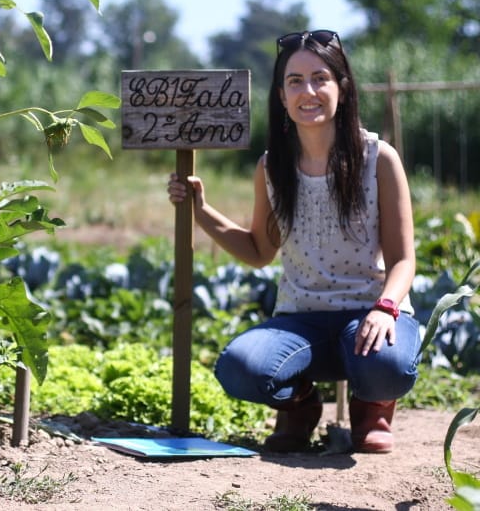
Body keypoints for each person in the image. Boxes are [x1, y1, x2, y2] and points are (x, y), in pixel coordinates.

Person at [166, 29, 421, 454]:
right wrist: (200, 210)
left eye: (320, 78)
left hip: (370, 315)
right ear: (282, 96)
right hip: (300, 320)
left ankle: (372, 404)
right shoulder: (272, 167)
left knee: (387, 364)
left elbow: (403, 260)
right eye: (295, 81)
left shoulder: (379, 158)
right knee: (240, 367)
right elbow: (258, 251)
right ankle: (301, 405)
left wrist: (386, 308)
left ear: (342, 86)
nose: (309, 91)